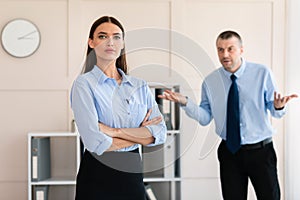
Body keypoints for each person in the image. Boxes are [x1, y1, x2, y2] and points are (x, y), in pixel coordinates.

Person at [159, 30, 298, 200]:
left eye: (230, 49)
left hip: (261, 152)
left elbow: (276, 112)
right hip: (230, 152)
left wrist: (278, 106)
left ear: (241, 50)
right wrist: (185, 102)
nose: (225, 54)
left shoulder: (262, 73)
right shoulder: (211, 82)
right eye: (220, 49)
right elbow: (204, 118)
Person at [70, 16, 167, 200]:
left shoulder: (140, 86)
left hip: (132, 173)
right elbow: (94, 142)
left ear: (122, 43)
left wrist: (114, 131)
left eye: (116, 37)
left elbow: (160, 133)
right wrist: (142, 136)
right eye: (102, 36)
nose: (110, 42)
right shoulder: (84, 85)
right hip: (97, 175)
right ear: (91, 42)